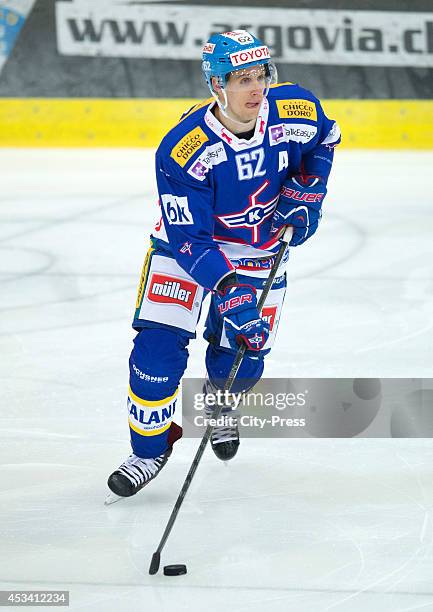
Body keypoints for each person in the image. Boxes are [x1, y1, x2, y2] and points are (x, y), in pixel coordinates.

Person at [107, 30, 341, 499]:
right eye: (242, 80)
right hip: (186, 250)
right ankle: (150, 449)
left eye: (262, 76)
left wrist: (308, 193)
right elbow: (189, 240)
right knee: (155, 355)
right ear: (216, 85)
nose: (257, 90)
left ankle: (220, 408)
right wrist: (230, 291)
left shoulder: (295, 109)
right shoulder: (184, 149)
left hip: (259, 250)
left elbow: (327, 138)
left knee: (243, 357)